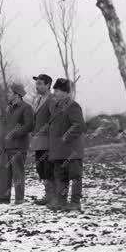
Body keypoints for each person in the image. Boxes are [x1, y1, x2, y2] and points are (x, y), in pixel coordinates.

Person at [47, 78, 86, 212]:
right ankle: (61, 202)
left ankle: (75, 203)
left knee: (75, 177)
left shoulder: (73, 106)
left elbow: (79, 125)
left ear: (65, 92)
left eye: (57, 91)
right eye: (54, 90)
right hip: (58, 151)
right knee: (61, 177)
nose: (54, 93)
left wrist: (65, 137)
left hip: (71, 151)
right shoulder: (56, 107)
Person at [0, 83, 34, 204]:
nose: (7, 95)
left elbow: (30, 125)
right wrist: (1, 143)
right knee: (3, 173)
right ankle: (3, 198)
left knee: (18, 174)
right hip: (7, 146)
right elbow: (4, 127)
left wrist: (15, 132)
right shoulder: (8, 108)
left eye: (10, 93)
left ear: (17, 95)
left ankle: (19, 199)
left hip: (19, 147)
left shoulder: (26, 108)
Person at [30, 73, 55, 205]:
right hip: (38, 140)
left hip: (48, 140)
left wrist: (44, 130)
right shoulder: (38, 99)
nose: (37, 86)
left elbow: (54, 119)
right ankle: (48, 194)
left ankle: (53, 196)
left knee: (48, 167)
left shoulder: (52, 99)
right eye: (36, 83)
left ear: (48, 85)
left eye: (40, 84)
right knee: (40, 168)